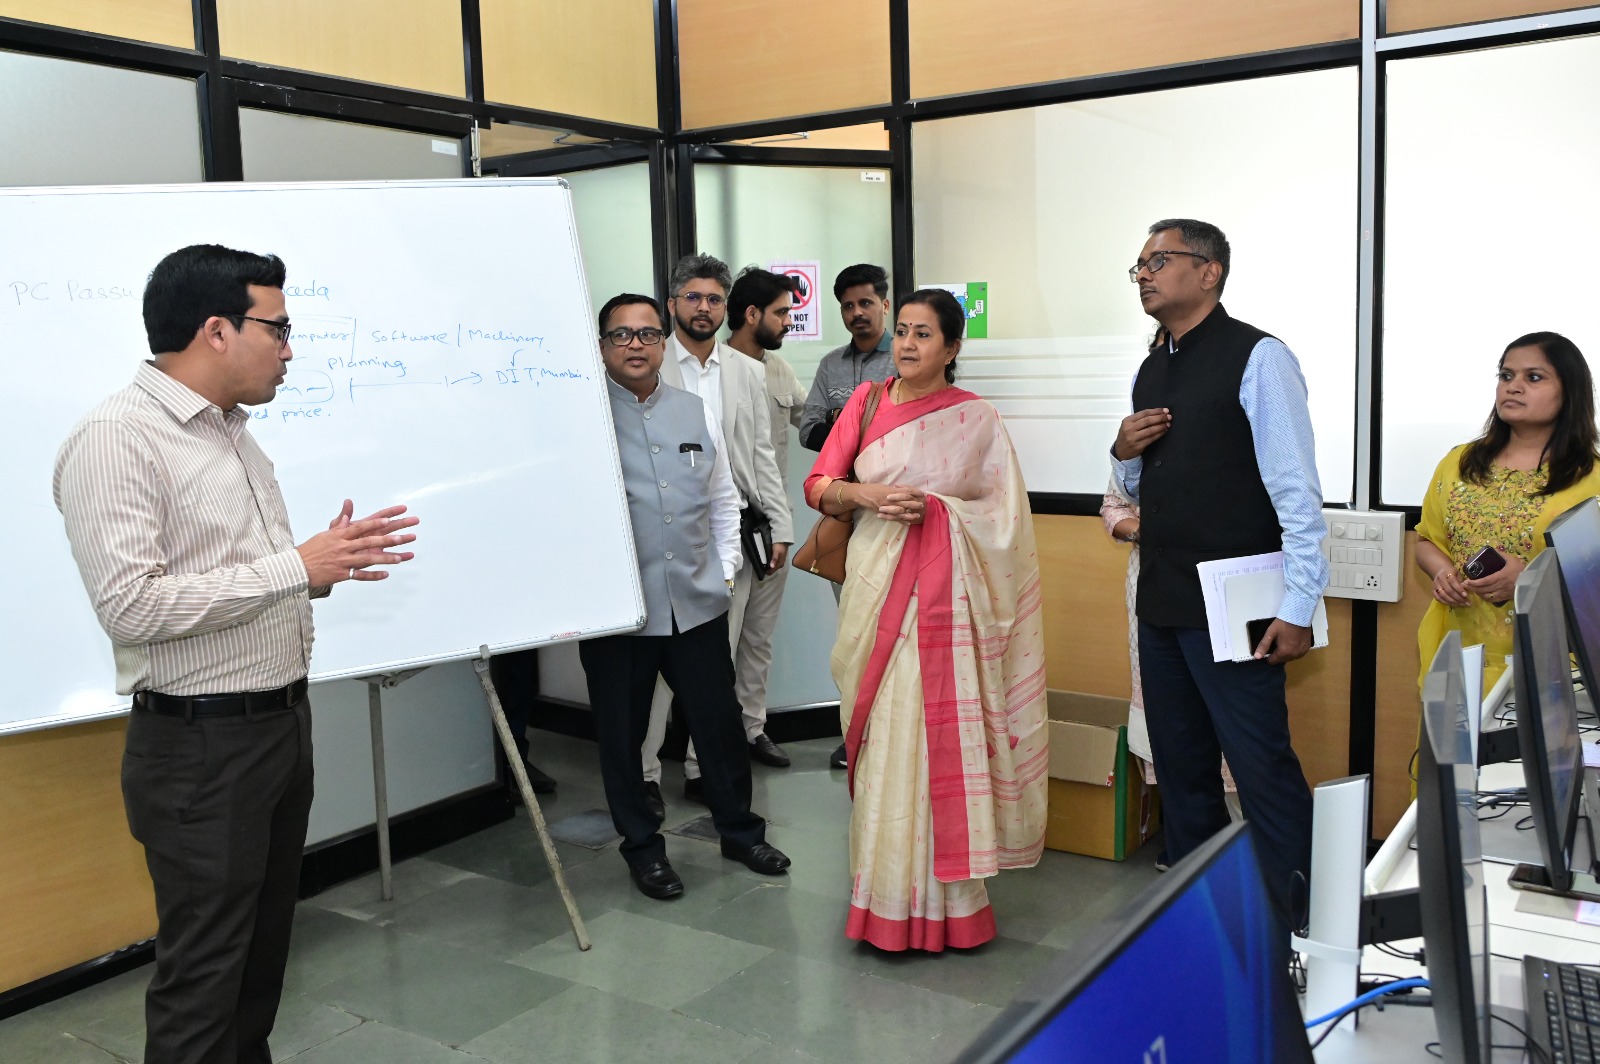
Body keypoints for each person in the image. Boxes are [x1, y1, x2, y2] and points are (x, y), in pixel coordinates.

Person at [53, 244, 419, 1064]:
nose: (290, 349)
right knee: (205, 984)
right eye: (278, 328)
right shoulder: (118, 438)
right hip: (200, 749)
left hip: (275, 731)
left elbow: (229, 579)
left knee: (256, 969)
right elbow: (131, 606)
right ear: (217, 330)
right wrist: (295, 567)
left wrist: (319, 570)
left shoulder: (231, 435)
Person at [804, 288, 1047, 951]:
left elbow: (1004, 518)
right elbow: (819, 485)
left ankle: (953, 905)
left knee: (934, 730)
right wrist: (867, 494)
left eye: (923, 334)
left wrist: (940, 511)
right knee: (886, 733)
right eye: (903, 331)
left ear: (952, 347)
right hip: (875, 582)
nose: (907, 344)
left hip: (947, 603)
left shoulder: (978, 419)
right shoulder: (866, 402)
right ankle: (882, 896)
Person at [1111, 218, 1326, 924]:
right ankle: (1203, 917)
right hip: (1162, 599)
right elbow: (1141, 489)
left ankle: (1298, 922)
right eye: (1139, 265)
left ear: (1209, 272)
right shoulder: (1152, 367)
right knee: (1181, 769)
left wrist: (1299, 604)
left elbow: (1296, 491)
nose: (1144, 274)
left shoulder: (1259, 358)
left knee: (1260, 766)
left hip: (1238, 604)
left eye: (1158, 261)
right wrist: (1122, 451)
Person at [582, 292, 791, 900]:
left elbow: (724, 497)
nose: (636, 345)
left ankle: (740, 832)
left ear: (662, 342)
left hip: (696, 605)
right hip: (620, 614)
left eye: (648, 334)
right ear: (602, 346)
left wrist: (724, 572)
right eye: (622, 335)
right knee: (623, 738)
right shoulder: (583, 419)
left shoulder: (692, 409)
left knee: (718, 726)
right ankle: (643, 850)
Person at [641, 254, 793, 814]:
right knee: (659, 670)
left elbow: (761, 454)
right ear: (673, 303)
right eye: (693, 297)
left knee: (718, 660)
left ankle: (703, 769)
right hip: (666, 533)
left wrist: (780, 525)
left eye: (713, 299)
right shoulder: (651, 362)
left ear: (727, 308)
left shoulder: (746, 371)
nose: (703, 308)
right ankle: (645, 774)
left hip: (733, 532)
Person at [1415, 331, 1600, 692]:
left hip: (1554, 670)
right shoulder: (1459, 463)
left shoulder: (1591, 479)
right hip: (1460, 656)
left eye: (1534, 377)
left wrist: (1531, 583)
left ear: (1570, 392)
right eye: (1506, 375)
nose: (1513, 387)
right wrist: (1442, 573)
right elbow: (1425, 541)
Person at [1101, 480, 1238, 873]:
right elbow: (1113, 506)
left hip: (1222, 585)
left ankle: (1245, 848)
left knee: (1231, 720)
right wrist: (1147, 533)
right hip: (1154, 586)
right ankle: (1189, 847)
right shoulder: (1139, 448)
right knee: (1174, 724)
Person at [800, 263, 897, 771]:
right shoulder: (830, 366)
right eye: (848, 306)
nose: (857, 313)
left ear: (885, 304)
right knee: (854, 628)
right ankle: (855, 733)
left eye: (866, 303)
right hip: (844, 514)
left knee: (896, 628)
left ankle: (894, 732)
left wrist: (848, 429)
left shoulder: (905, 357)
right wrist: (849, 428)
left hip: (894, 514)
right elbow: (808, 429)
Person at [724, 267, 807, 769]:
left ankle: (752, 729)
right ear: (752, 313)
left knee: (759, 638)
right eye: (781, 313)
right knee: (723, 642)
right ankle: (707, 751)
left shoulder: (779, 370)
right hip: (730, 529)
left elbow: (808, 422)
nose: (788, 322)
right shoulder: (715, 369)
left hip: (775, 528)